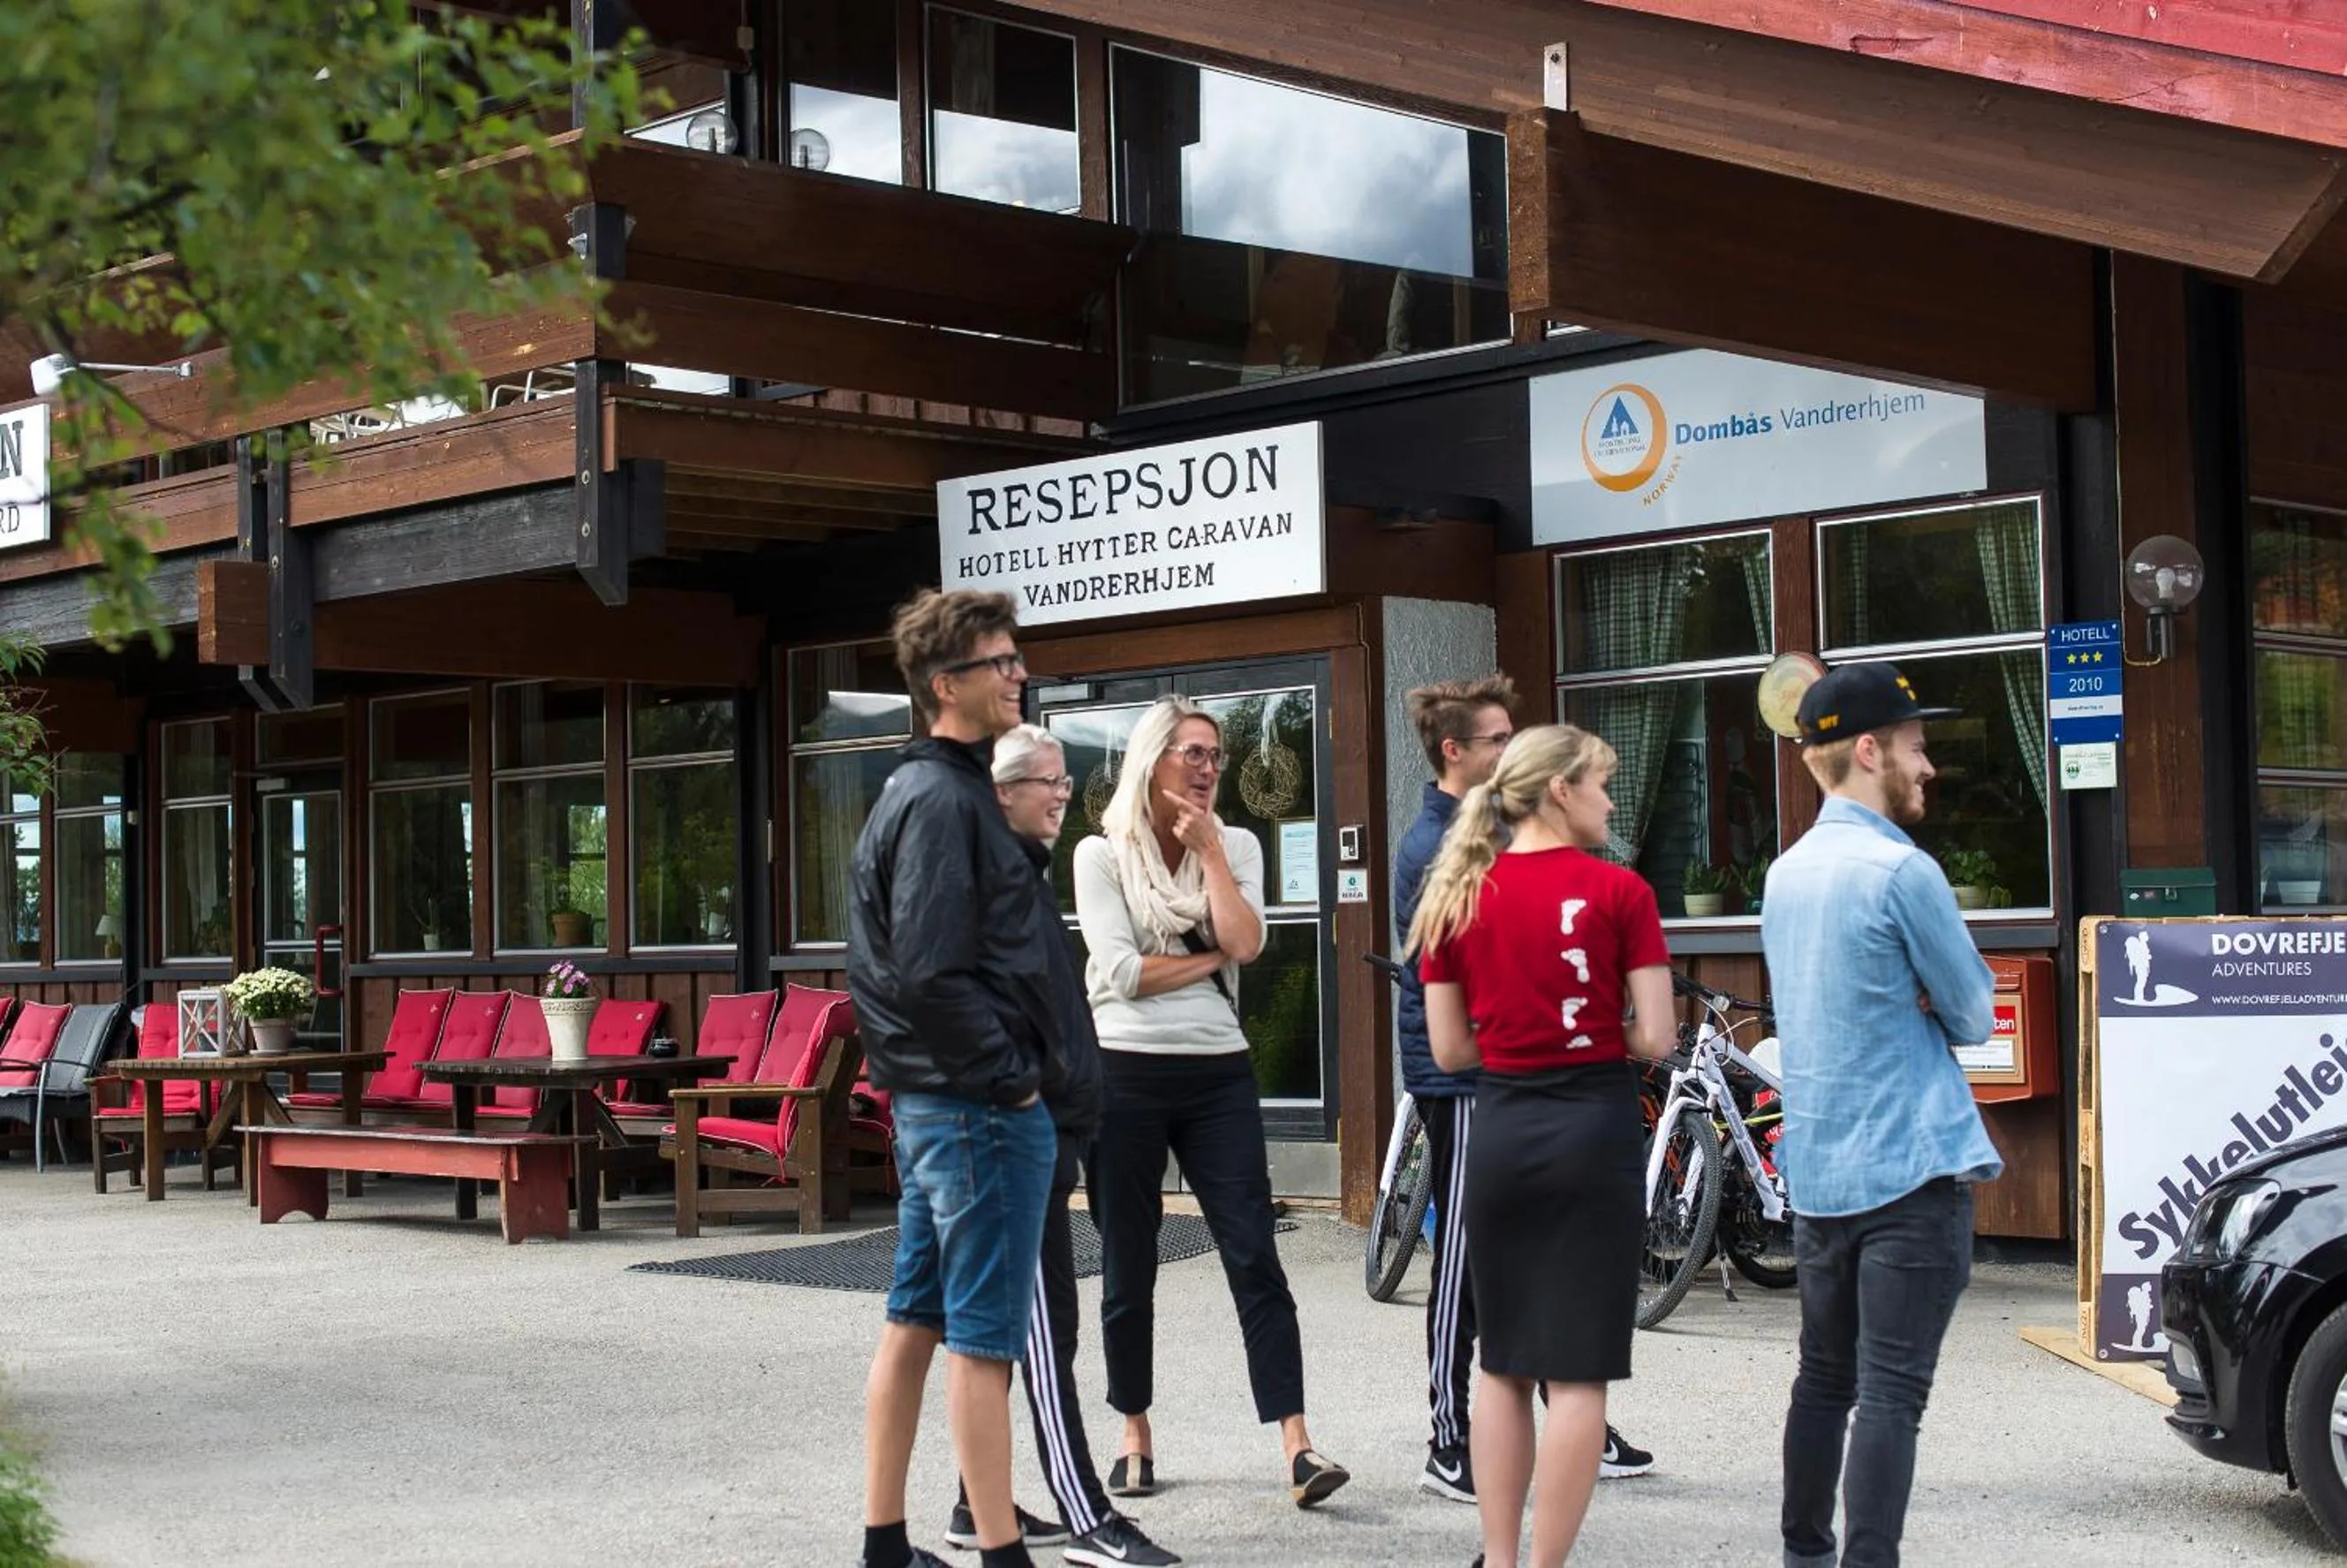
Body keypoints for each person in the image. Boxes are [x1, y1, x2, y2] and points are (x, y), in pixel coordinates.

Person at [1073, 695, 1351, 1508]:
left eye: (1215, 756)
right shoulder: (1101, 854)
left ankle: (1297, 1444)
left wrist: (1215, 863)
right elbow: (1121, 974)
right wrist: (1210, 957)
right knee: (1128, 1261)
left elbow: (1251, 940)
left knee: (1253, 1252)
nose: (1206, 768)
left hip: (1218, 1070)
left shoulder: (1234, 842)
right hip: (1122, 1070)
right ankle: (1134, 1430)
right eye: (1191, 752)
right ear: (1152, 760)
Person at [1409, 724, 1674, 1568]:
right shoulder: (1620, 892)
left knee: (1503, 1363)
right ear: (1559, 789)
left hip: (1503, 1131)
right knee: (1580, 1373)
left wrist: (1522, 1048)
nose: (1609, 799)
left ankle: (1495, 1553)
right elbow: (1657, 1037)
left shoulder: (1456, 893)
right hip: (1592, 1132)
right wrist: (1593, 1034)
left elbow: (1449, 1052)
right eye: (1600, 783)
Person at [1762, 662, 2001, 1568]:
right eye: (1914, 746)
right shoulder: (1904, 871)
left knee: (1821, 1379)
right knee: (1892, 1393)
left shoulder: (1785, 875)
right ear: (1867, 751)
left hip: (1821, 1172)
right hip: (1911, 1166)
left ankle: (1802, 1553)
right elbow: (1974, 1012)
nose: (1927, 765)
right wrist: (1923, 1001)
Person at [849, 590, 1060, 1568]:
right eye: (1001, 663)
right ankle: (1002, 1552)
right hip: (972, 1108)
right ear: (947, 685)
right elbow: (930, 968)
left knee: (917, 1317)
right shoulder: (939, 798)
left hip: (944, 1103)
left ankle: (885, 1544)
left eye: (1017, 660)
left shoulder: (926, 790)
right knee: (983, 1338)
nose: (1019, 676)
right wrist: (1010, 1079)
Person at [938, 725, 1181, 1568]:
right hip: (1009, 1143)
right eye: (1047, 781)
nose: (1061, 794)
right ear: (1000, 791)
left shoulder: (1017, 874)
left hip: (1038, 1134)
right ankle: (1087, 1516)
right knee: (1045, 1332)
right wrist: (1024, 1097)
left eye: (1066, 781)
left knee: (1016, 1332)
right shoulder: (988, 878)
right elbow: (958, 1001)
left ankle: (975, 1503)